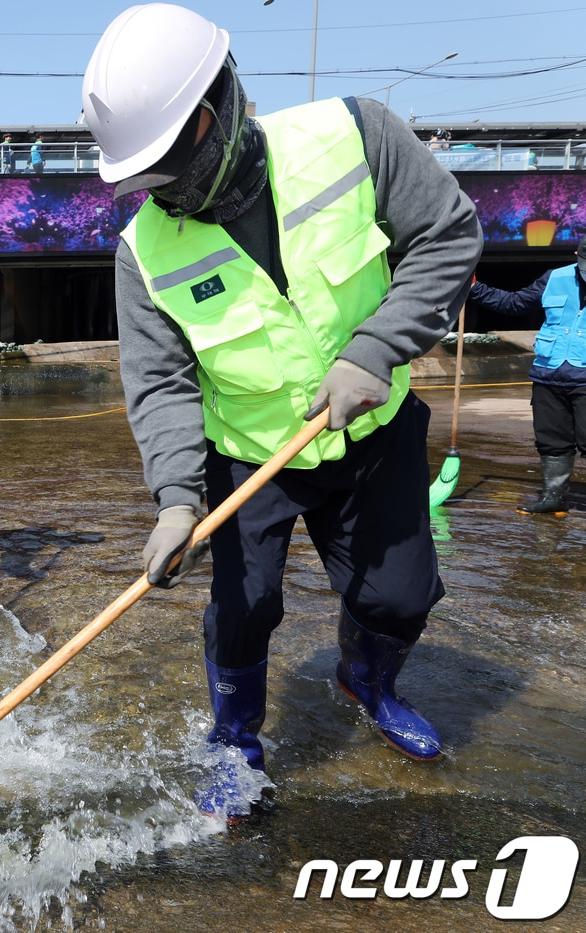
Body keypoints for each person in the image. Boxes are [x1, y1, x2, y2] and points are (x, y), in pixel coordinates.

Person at [81, 4, 481, 820]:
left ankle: (366, 679)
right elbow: (161, 385)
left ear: (211, 117)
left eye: (160, 165)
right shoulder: (144, 253)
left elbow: (447, 235)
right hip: (247, 455)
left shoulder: (357, 136)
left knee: (400, 598)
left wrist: (373, 349)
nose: (153, 192)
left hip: (371, 433)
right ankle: (234, 745)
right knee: (242, 607)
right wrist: (176, 500)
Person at [465, 239, 586, 514]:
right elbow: (514, 303)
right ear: (577, 254)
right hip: (548, 374)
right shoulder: (554, 278)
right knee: (551, 441)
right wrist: (473, 287)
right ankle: (553, 497)